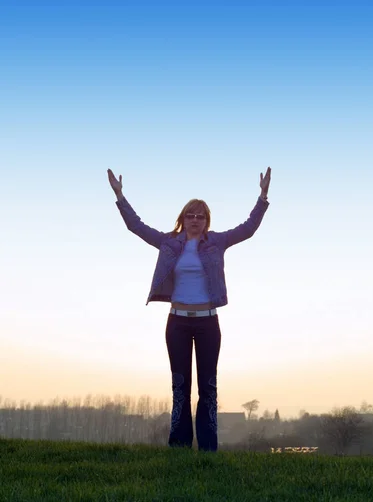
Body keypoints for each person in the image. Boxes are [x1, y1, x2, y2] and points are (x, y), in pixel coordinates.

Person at [107, 166, 271, 452]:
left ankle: (208, 448)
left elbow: (248, 228)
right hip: (178, 323)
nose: (195, 220)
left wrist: (263, 196)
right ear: (182, 219)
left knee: (208, 387)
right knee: (180, 386)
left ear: (207, 220)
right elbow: (136, 226)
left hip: (208, 323)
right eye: (190, 215)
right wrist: (120, 196)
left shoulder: (217, 242)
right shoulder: (168, 242)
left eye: (201, 216)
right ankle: (180, 446)